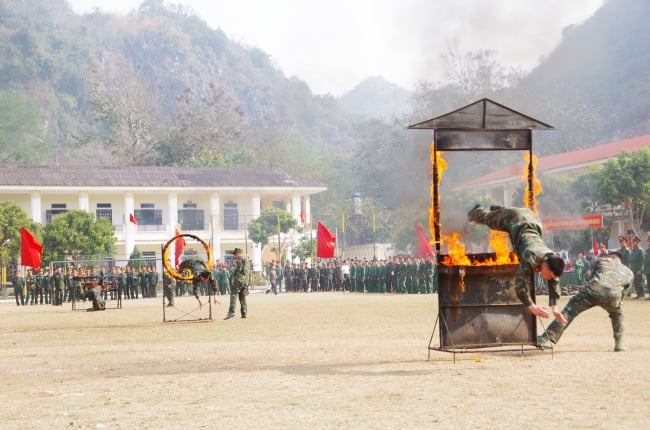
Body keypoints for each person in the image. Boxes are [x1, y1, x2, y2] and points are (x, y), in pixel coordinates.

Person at [467, 205, 566, 322]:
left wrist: (554, 308)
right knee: (487, 219)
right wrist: (532, 306)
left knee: (500, 216)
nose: (548, 278)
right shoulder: (531, 257)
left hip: (531, 221)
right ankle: (476, 211)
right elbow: (520, 285)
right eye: (548, 275)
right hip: (516, 219)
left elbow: (554, 280)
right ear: (544, 265)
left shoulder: (550, 257)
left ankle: (498, 210)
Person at [537, 251, 634, 351]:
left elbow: (592, 275)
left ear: (613, 257)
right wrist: (617, 304)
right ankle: (619, 344)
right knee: (618, 315)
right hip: (613, 296)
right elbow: (624, 292)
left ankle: (545, 338)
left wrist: (588, 289)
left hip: (592, 291)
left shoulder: (602, 260)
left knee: (569, 311)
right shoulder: (629, 272)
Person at [224, 248, 250, 319]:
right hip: (244, 281)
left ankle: (231, 312)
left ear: (239, 253)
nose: (234, 256)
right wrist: (247, 284)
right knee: (242, 296)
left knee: (233, 294)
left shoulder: (240, 260)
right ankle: (244, 312)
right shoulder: (246, 260)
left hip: (239, 280)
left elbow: (239, 270)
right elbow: (247, 273)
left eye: (235, 254)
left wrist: (234, 278)